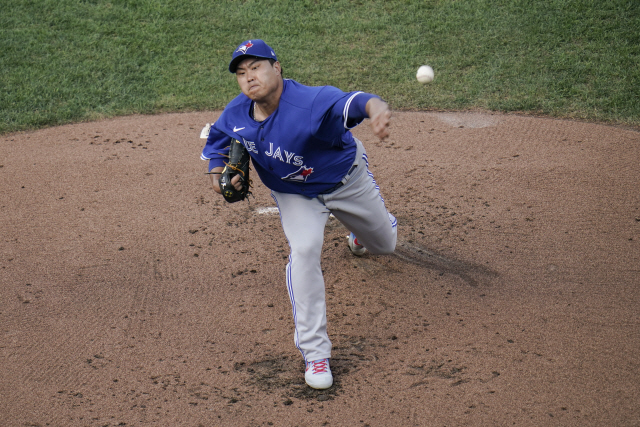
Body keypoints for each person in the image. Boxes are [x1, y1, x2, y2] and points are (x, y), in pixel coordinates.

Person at [200, 39, 397, 389]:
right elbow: (216, 141)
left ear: (277, 68)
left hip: (345, 180)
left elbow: (354, 101)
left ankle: (361, 231)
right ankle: (315, 353)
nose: (249, 78)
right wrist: (218, 177)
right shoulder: (235, 114)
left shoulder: (309, 102)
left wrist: (377, 109)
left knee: (384, 245)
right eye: (241, 73)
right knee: (304, 250)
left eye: (256, 67)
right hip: (294, 195)